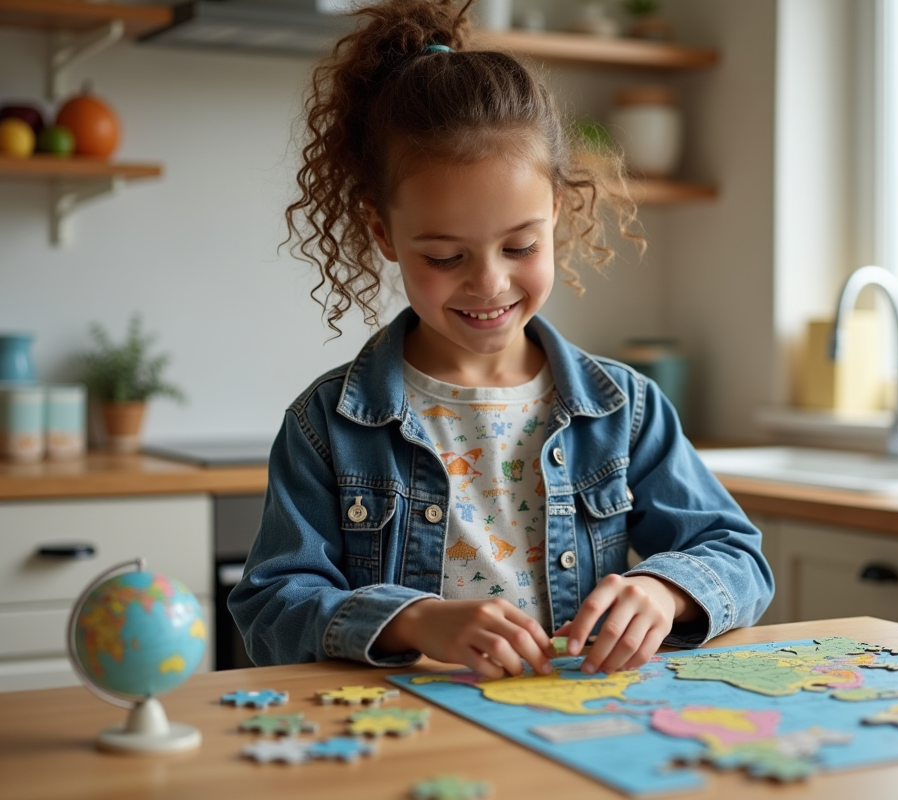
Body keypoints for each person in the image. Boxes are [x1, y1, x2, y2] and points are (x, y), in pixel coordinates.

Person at [229, 0, 773, 679]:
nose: (489, 284)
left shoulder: (624, 411)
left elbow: (736, 555)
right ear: (381, 230)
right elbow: (271, 608)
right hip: (404, 743)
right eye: (445, 257)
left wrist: (664, 591)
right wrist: (413, 620)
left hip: (571, 731)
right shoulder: (325, 426)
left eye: (520, 245)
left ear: (557, 210)